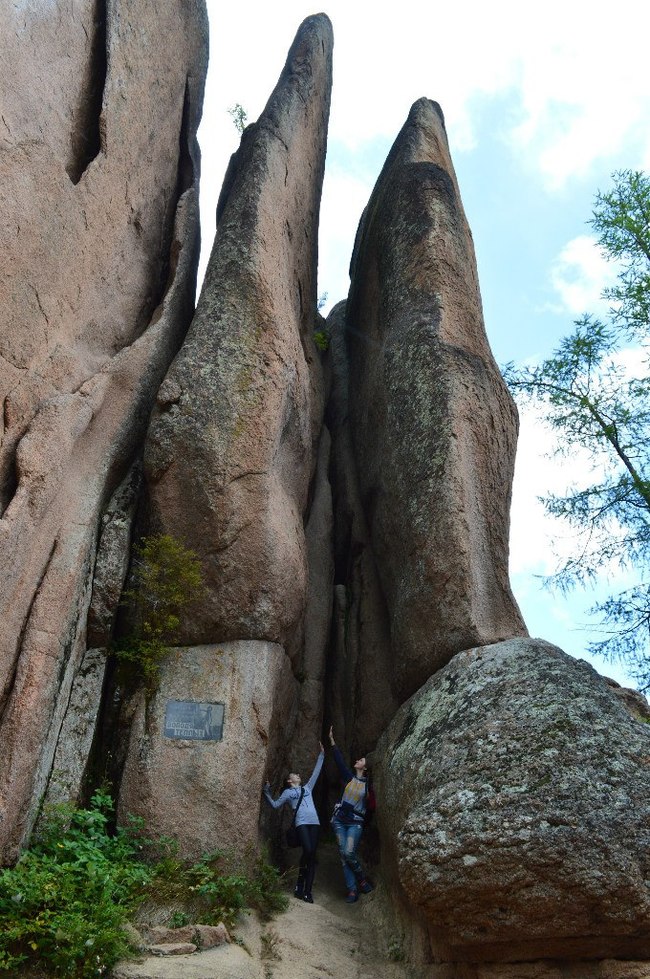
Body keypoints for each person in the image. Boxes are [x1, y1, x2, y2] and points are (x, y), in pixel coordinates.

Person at [263, 742, 324, 904]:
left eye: (298, 775)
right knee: (309, 850)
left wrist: (322, 755)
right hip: (302, 823)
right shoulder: (288, 793)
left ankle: (306, 891)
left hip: (315, 823)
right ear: (290, 781)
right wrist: (267, 792)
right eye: (295, 775)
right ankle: (299, 884)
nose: (298, 776)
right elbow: (276, 804)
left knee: (310, 856)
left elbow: (316, 773)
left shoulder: (308, 788)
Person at [328, 726, 374, 903]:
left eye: (361, 760)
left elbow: (371, 806)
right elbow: (339, 762)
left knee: (348, 853)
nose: (357, 760)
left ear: (366, 767)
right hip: (340, 821)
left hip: (355, 822)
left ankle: (361, 879)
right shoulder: (349, 778)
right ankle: (352, 890)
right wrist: (332, 740)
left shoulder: (368, 786)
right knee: (343, 856)